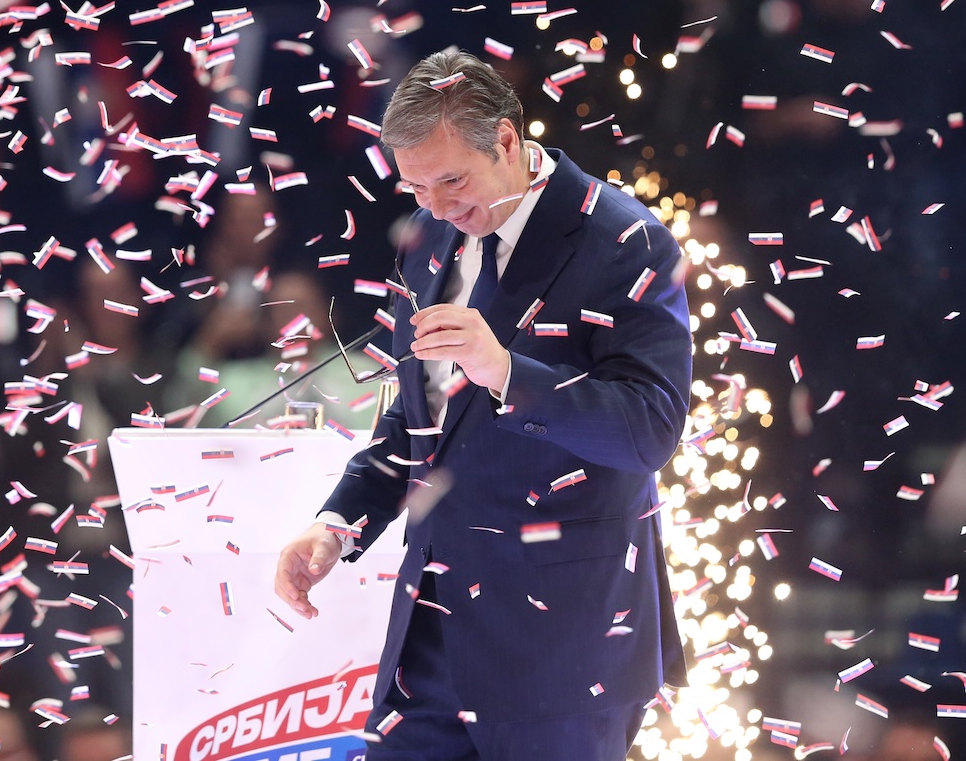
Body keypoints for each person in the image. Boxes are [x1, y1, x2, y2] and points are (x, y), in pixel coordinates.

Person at [273, 49, 692, 761]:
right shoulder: (430, 238)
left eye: (451, 181)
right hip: (429, 641)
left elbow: (651, 429)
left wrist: (504, 368)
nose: (436, 204)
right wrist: (338, 523)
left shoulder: (626, 239)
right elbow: (417, 420)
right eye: (415, 187)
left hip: (567, 647)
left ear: (505, 140)